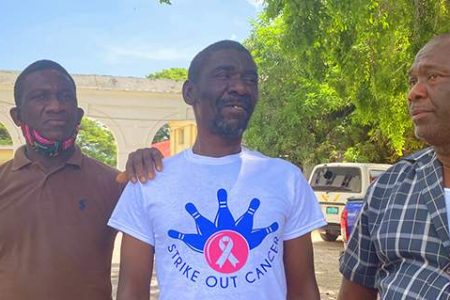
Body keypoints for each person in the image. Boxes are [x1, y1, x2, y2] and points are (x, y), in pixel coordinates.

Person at [108, 40, 326, 300]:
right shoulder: (149, 180)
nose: (240, 87)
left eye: (250, 80)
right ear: (190, 92)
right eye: (224, 75)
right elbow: (131, 292)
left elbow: (303, 290)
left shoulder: (287, 179)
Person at [0, 59, 162, 300]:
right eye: (40, 97)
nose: (55, 106)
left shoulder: (115, 184)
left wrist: (152, 164)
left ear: (78, 114)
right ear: (17, 115)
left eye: (65, 96)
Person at [339, 33, 450, 299]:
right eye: (413, 81)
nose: (414, 93)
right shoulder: (388, 188)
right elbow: (356, 290)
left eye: (432, 77)